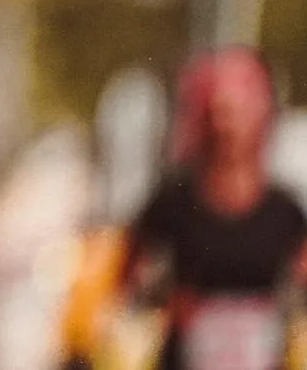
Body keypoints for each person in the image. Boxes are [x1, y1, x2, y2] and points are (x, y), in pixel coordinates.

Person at [124, 46, 307, 370]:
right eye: (217, 111)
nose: (226, 126)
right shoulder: (171, 204)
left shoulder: (286, 213)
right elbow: (127, 286)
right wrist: (166, 306)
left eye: (238, 111)